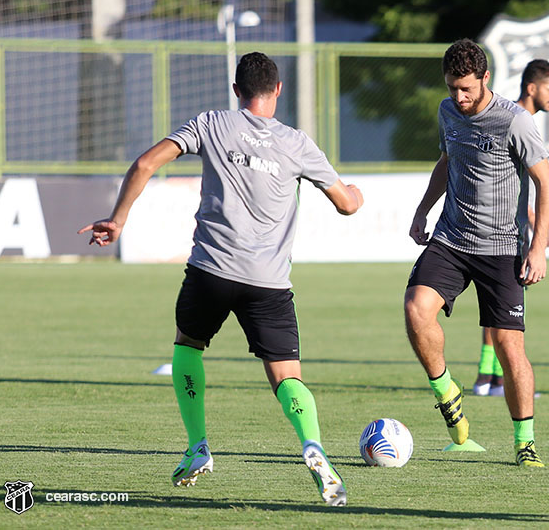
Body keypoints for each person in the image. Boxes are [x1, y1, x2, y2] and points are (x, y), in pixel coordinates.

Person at [78, 52, 363, 506]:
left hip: (210, 271)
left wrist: (117, 220)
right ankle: (313, 446)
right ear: (278, 91)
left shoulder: (212, 122)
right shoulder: (297, 143)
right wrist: (357, 195)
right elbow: (346, 205)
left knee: (187, 345)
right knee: (287, 376)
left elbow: (146, 163)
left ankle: (198, 446)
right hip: (268, 283)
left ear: (236, 91)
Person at [404, 40, 549, 467]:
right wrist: (422, 210)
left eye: (466, 89)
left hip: (502, 248)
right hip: (452, 239)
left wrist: (538, 247)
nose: (459, 97)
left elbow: (546, 183)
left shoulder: (515, 121)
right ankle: (446, 392)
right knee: (416, 309)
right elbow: (446, 161)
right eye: (452, 88)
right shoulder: (447, 111)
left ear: (485, 78)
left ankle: (524, 442)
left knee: (509, 348)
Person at [474, 59, 549, 397]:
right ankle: (492, 378)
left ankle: (490, 377)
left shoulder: (519, 119)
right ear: (532, 87)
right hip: (501, 231)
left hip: (511, 228)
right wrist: (538, 226)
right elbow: (502, 184)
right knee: (504, 305)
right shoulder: (515, 121)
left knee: (501, 304)